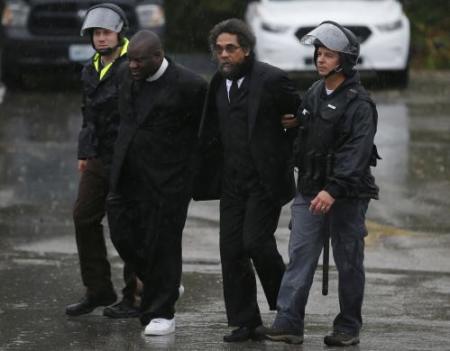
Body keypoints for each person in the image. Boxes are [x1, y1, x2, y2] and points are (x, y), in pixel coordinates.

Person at [259, 21, 381, 346]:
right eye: (319, 53)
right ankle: (288, 322)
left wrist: (334, 190)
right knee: (300, 255)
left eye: (328, 55)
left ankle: (348, 326)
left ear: (345, 60)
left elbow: (357, 153)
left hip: (347, 195)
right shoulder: (314, 92)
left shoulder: (360, 104)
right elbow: (306, 128)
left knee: (349, 261)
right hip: (310, 188)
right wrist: (294, 123)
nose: (320, 60)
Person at [193, 18, 301, 343]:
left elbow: (302, 115)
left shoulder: (270, 79)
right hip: (232, 182)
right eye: (219, 49)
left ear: (246, 49)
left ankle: (289, 313)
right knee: (231, 250)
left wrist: (290, 137)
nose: (224, 55)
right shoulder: (217, 84)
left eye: (231, 48)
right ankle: (246, 321)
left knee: (256, 243)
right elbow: (210, 131)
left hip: (264, 180)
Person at [106, 30, 207, 336]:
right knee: (122, 235)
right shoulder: (125, 75)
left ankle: (161, 312)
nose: (133, 66)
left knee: (163, 245)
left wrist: (190, 176)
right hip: (127, 175)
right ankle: (164, 281)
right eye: (130, 60)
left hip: (168, 181)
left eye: (139, 61)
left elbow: (203, 134)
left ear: (158, 56)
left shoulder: (190, 85)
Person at [66, 3, 141, 318]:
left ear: (119, 32)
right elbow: (89, 114)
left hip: (128, 159)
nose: (100, 38)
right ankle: (98, 290)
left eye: (106, 32)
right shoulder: (90, 68)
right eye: (96, 33)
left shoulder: (134, 65)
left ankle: (136, 297)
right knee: (84, 217)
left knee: (127, 228)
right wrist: (85, 152)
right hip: (99, 157)